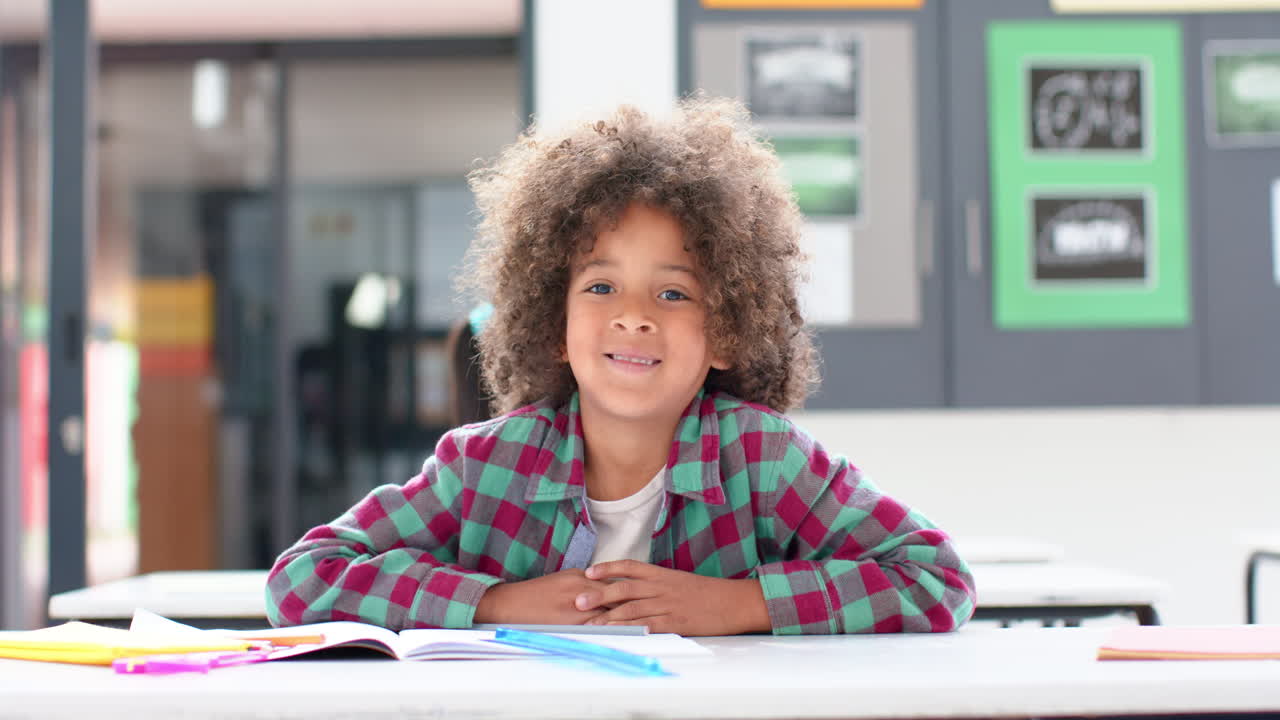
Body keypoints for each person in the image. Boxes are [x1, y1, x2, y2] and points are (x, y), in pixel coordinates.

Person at [266, 97, 975, 636]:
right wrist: (493, 602)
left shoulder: (762, 456)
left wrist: (736, 603)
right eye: (601, 287)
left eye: (673, 293)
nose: (633, 316)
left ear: (726, 330)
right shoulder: (484, 465)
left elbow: (936, 578)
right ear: (553, 324)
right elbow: (301, 580)